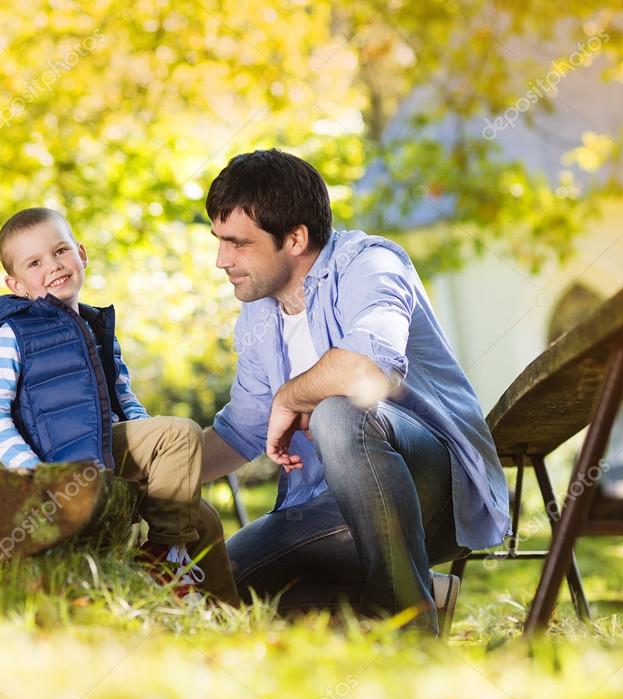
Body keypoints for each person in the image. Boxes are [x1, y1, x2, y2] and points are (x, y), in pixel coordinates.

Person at [200, 150, 510, 633]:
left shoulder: (371, 264)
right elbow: (238, 432)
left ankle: (408, 621)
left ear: (296, 238)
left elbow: (368, 368)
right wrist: (148, 473)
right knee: (217, 589)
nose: (222, 261)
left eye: (238, 244)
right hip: (324, 507)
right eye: (219, 241)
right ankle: (410, 595)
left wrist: (290, 396)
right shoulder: (260, 313)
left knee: (341, 413)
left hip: (431, 488)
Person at [0, 206, 238, 604]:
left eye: (61, 251)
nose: (54, 265)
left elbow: (124, 399)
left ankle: (227, 615)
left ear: (81, 253)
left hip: (109, 446)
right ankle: (162, 564)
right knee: (182, 432)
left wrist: (153, 447)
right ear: (17, 284)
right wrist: (31, 470)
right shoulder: (15, 333)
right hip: (66, 458)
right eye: (34, 263)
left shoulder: (97, 327)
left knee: (202, 517)